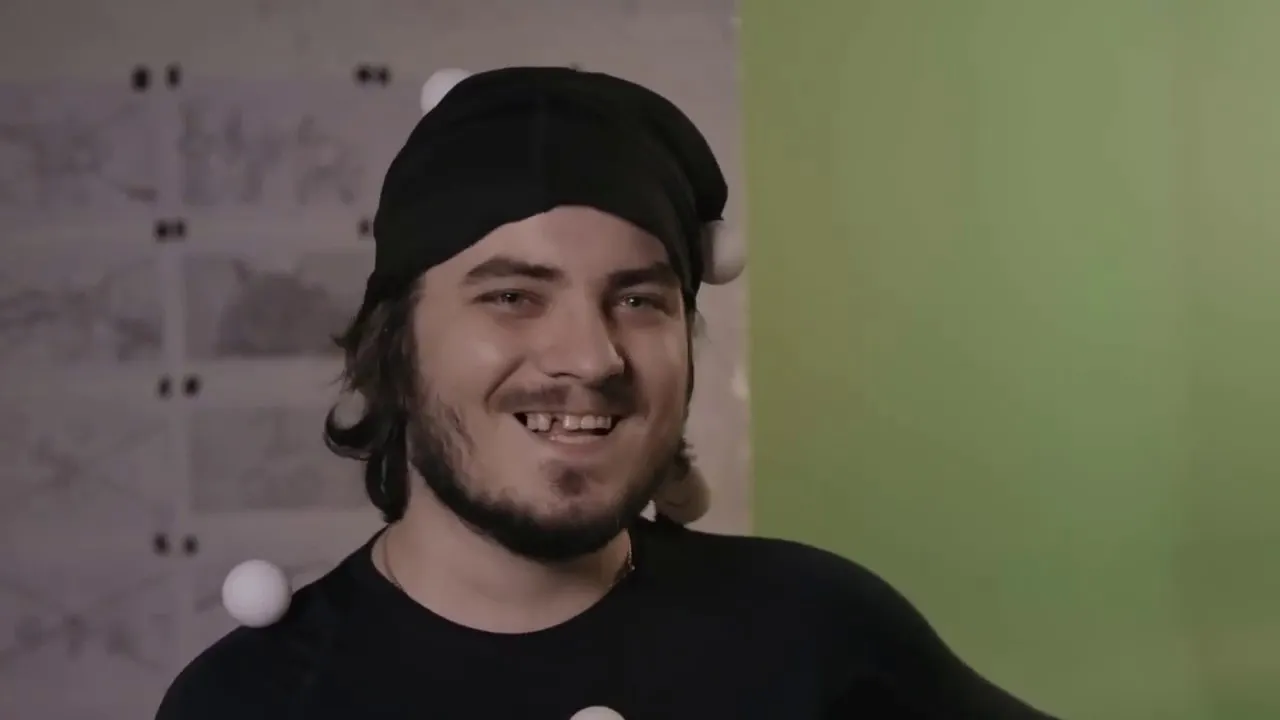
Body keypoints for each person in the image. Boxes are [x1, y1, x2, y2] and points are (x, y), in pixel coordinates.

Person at [155, 66, 1058, 720]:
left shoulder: (818, 634)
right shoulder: (254, 702)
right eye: (513, 296)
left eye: (638, 300)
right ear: (394, 345)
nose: (590, 358)